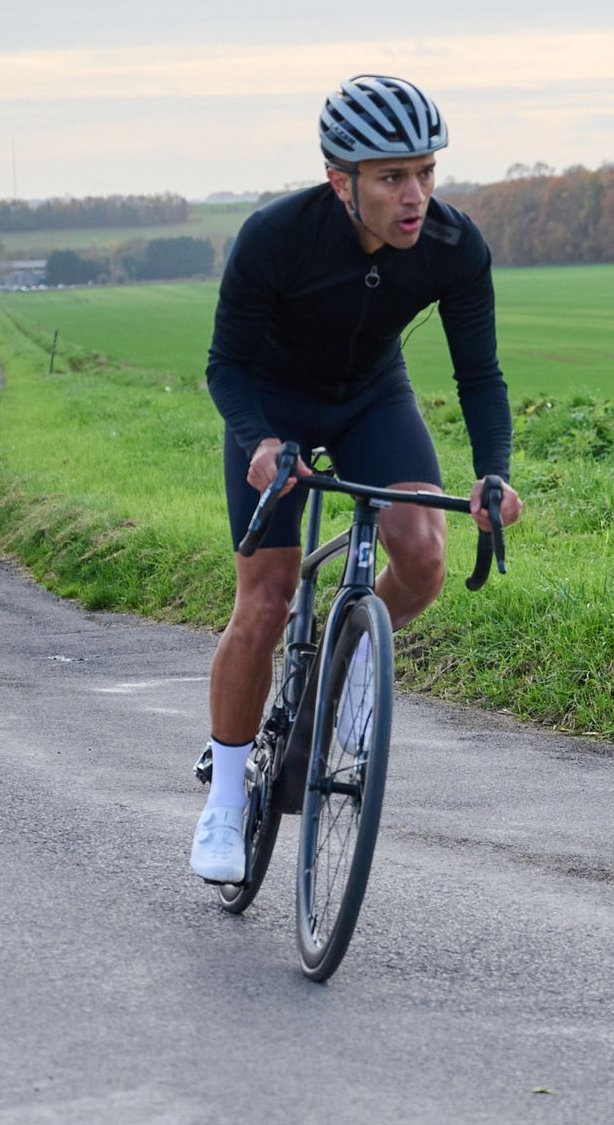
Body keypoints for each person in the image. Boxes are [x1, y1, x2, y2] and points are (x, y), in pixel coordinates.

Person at [190, 74, 523, 882]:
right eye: (392, 177)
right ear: (341, 180)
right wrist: (261, 440)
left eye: (426, 172)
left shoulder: (453, 246)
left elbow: (480, 376)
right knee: (264, 602)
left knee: (425, 550)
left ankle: (345, 669)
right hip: (274, 410)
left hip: (372, 397)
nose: (416, 196)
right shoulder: (276, 237)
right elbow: (225, 364)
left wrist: (492, 474)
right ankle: (226, 799)